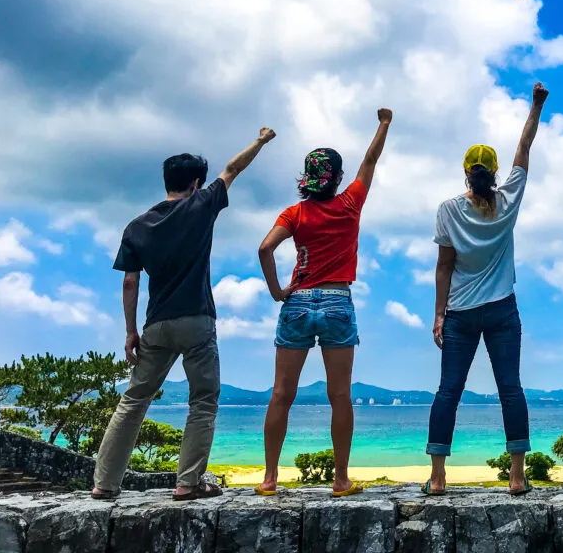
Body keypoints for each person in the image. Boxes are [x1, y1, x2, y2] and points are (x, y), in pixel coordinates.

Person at [92, 128, 276, 501]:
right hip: (197, 320)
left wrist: (131, 332)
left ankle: (104, 484)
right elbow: (233, 169)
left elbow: (130, 283)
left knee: (133, 401)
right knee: (203, 400)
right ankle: (187, 483)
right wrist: (260, 141)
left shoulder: (137, 226)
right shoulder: (202, 205)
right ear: (195, 184)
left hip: (155, 325)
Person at [255, 109, 393, 498]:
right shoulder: (349, 203)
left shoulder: (295, 213)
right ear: (335, 177)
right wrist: (383, 123)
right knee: (340, 396)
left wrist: (278, 290)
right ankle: (340, 480)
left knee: (282, 393)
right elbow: (370, 161)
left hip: (297, 303)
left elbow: (266, 248)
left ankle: (268, 480)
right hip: (336, 301)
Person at [422, 83, 548, 497]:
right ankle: (516, 476)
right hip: (501, 311)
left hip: (459, 312)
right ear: (494, 173)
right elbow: (524, 150)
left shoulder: (448, 209)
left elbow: (444, 267)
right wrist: (535, 106)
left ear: (465, 172)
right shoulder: (508, 199)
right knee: (510, 389)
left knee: (449, 392)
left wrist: (439, 314)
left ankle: (438, 478)